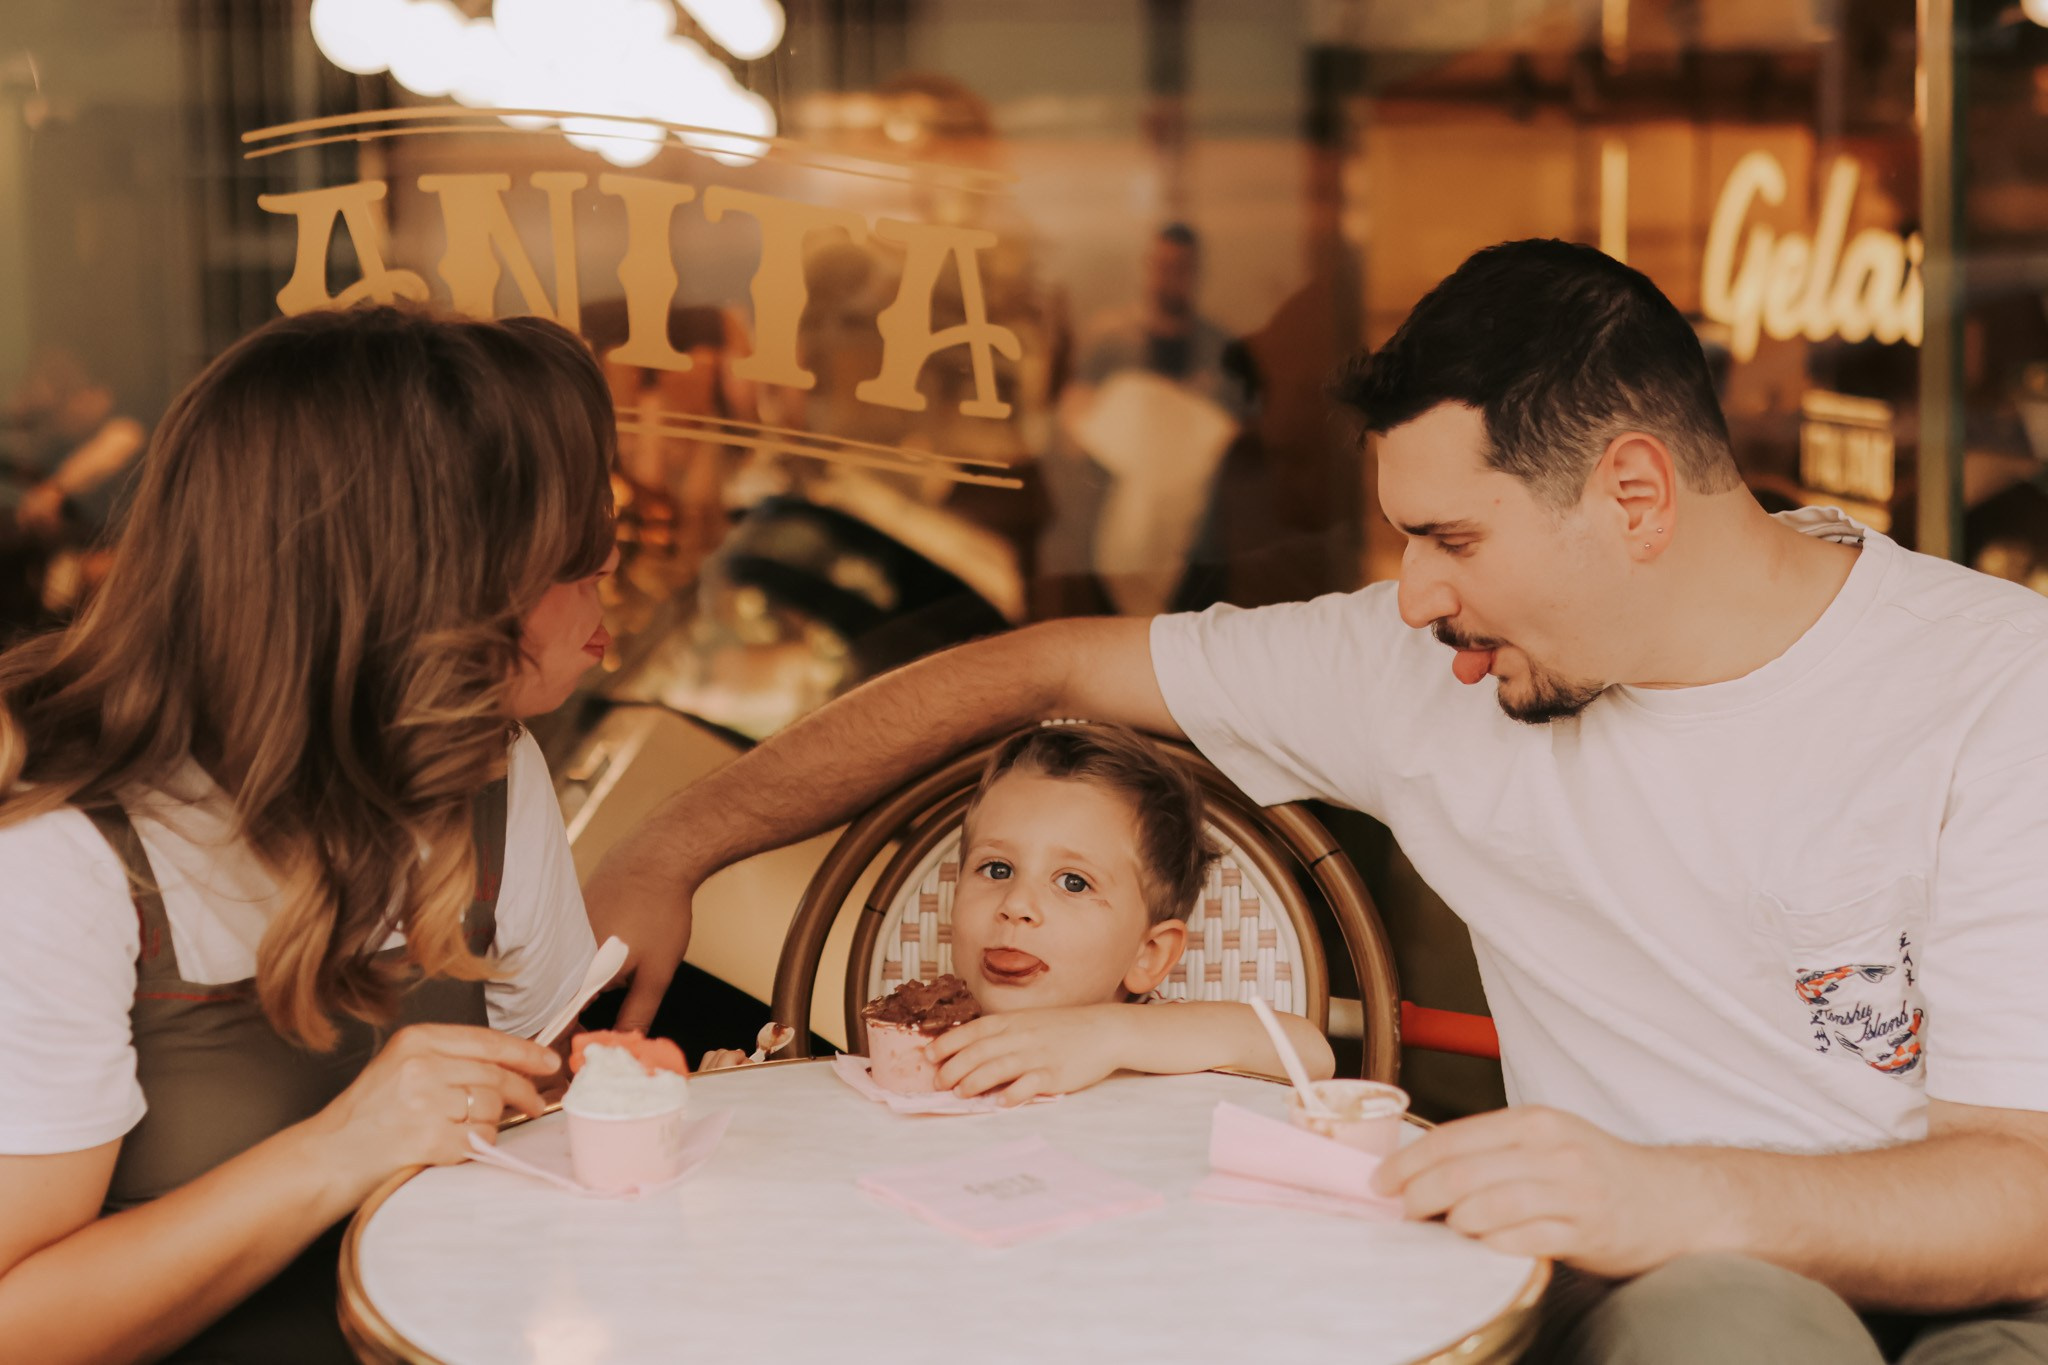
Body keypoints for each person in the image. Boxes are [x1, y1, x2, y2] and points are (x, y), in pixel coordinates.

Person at [589, 238, 2048, 1363]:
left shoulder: (1995, 688)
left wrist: (1667, 1193)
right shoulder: (1426, 663)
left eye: (1451, 538)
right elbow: (1031, 667)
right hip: (1657, 1305)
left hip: (1966, 1307)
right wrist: (678, 844)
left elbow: (2024, 1194)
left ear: (1636, 495)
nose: (1411, 595)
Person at [0, 305, 614, 1363]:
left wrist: (595, 1098)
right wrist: (339, 1149)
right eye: (575, 555)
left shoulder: (488, 767)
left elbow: (518, 1108)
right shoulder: (62, 848)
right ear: (418, 589)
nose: (609, 588)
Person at [699, 723, 1333, 1095]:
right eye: (997, 870)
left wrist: (1108, 1035)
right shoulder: (921, 1049)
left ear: (1148, 955)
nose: (1017, 906)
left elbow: (1309, 1053)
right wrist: (751, 1105)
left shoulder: (1161, 1045)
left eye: (1074, 883)